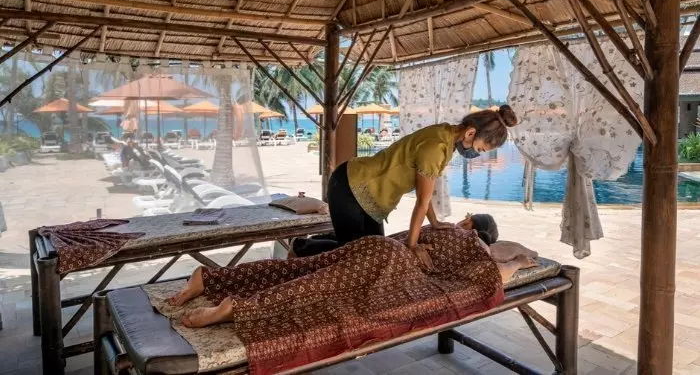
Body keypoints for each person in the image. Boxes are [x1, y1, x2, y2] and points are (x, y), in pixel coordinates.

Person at [167, 219, 537, 329]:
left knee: (299, 267)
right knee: (311, 287)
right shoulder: (477, 250)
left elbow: (407, 234)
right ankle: (236, 307)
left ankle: (211, 279)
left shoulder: (443, 228)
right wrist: (519, 261)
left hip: (377, 245)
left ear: (469, 222)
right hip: (388, 263)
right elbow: (497, 275)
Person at [293, 105, 517, 268]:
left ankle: (321, 240)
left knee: (376, 254)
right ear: (470, 133)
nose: (476, 154)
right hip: (350, 186)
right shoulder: (436, 147)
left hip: (369, 195)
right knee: (357, 257)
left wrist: (435, 222)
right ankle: (301, 246)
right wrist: (412, 245)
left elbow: (425, 192)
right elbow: (421, 201)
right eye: (479, 149)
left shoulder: (446, 136)